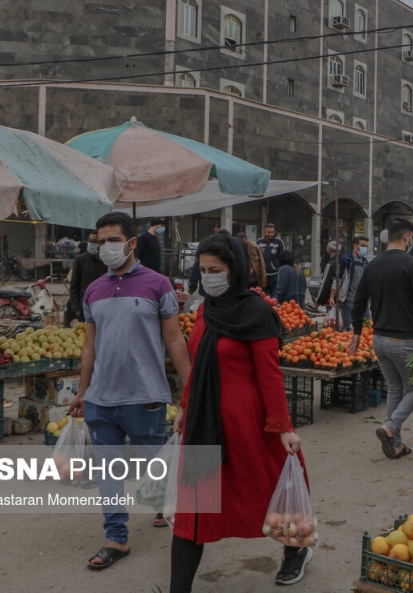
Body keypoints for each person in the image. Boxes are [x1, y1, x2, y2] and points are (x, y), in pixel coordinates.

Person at [170, 234, 310, 590]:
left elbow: (270, 376)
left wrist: (283, 428)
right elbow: (199, 364)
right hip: (205, 423)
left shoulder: (257, 313)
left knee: (270, 492)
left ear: (235, 270)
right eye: (202, 270)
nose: (207, 277)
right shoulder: (206, 310)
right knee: (194, 509)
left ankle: (295, 553)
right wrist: (186, 406)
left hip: (251, 426)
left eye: (214, 270)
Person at [68, 211, 191, 570]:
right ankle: (116, 539)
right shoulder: (94, 290)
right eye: (100, 241)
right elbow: (89, 347)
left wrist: (190, 391)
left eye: (113, 240)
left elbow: (174, 340)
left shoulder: (158, 284)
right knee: (109, 472)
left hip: (145, 397)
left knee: (159, 468)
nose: (106, 247)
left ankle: (169, 509)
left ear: (131, 242)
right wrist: (82, 390)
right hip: (101, 401)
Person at [348, 218, 413, 459]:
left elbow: (358, 301)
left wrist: (357, 331)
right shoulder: (412, 264)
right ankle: (390, 427)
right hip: (402, 341)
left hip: (379, 340)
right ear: (407, 237)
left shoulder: (372, 265)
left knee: (394, 389)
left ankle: (396, 444)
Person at [65, 231, 107, 325]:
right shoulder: (81, 260)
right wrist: (77, 308)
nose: (92, 244)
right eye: (90, 241)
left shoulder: (108, 261)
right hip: (84, 307)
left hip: (104, 307)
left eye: (95, 241)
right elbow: (74, 285)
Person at [331, 235, 369, 330]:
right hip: (349, 301)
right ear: (355, 246)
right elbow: (338, 279)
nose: (365, 248)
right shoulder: (346, 260)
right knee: (348, 329)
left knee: (366, 329)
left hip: (363, 301)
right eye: (362, 245)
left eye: (366, 246)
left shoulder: (365, 262)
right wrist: (332, 296)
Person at [257, 224, 285, 295]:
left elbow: (283, 257)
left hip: (275, 274)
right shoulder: (259, 242)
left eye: (272, 232)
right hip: (262, 275)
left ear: (274, 232)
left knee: (274, 296)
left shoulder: (279, 242)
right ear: (264, 232)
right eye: (268, 232)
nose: (270, 234)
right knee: (262, 295)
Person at [315, 241, 339, 307]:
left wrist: (318, 302)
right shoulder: (343, 261)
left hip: (331, 301)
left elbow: (325, 284)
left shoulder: (331, 264)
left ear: (329, 251)